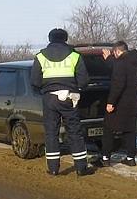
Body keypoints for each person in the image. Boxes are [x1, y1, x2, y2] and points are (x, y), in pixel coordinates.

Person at [30, 27, 93, 177]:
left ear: (50, 39)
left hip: (49, 98)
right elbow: (84, 81)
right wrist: (76, 87)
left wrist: (45, 89)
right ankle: (81, 167)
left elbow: (35, 81)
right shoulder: (74, 55)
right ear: (65, 39)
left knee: (51, 132)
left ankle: (53, 168)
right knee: (74, 132)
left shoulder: (40, 56)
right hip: (69, 98)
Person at [96, 41, 137, 167]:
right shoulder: (134, 61)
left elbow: (118, 83)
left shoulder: (121, 63)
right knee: (130, 130)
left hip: (120, 102)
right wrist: (110, 60)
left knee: (108, 129)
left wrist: (111, 102)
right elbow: (120, 66)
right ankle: (130, 158)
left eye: (114, 53)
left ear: (117, 51)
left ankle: (105, 158)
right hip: (132, 102)